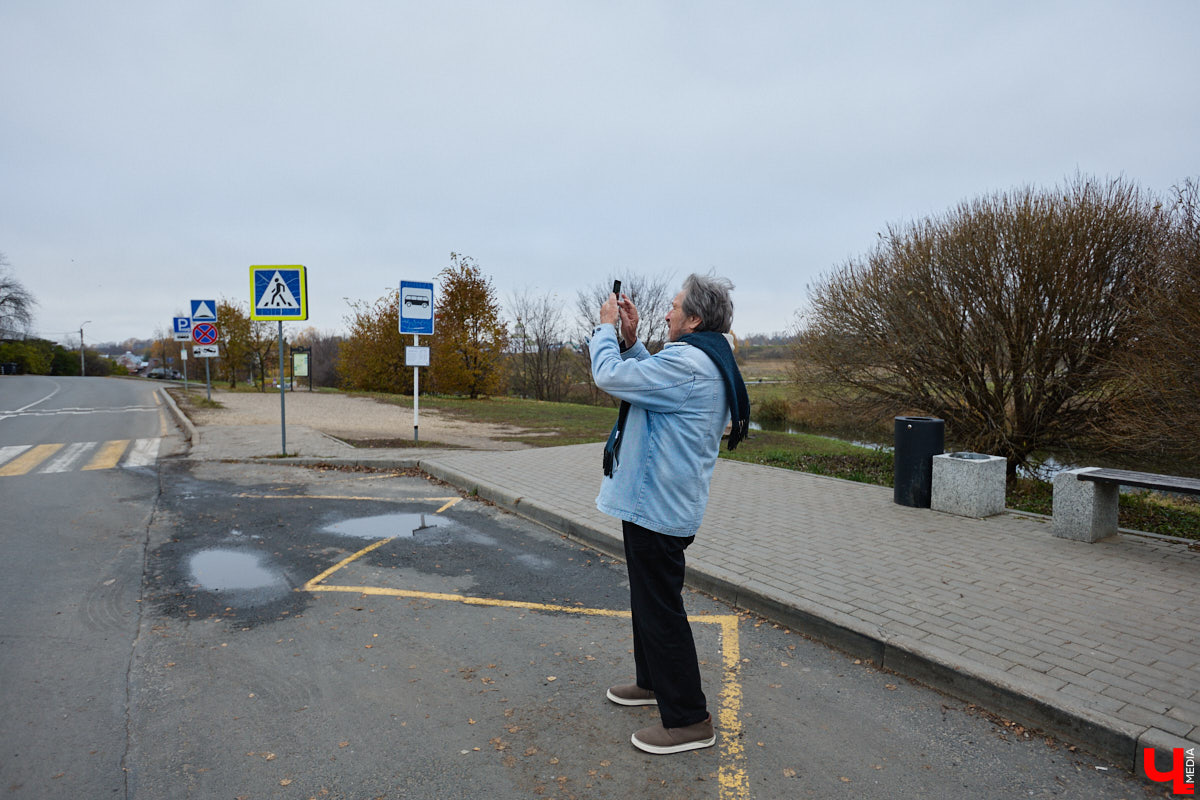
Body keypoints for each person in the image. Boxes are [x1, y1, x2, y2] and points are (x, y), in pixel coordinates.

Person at [589, 273, 750, 755]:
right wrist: (634, 342)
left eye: (674, 307)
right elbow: (652, 387)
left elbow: (611, 377)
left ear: (695, 319)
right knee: (648, 600)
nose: (666, 313)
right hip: (658, 504)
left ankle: (688, 719)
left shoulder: (689, 362)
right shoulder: (700, 359)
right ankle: (652, 682)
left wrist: (605, 330)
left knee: (661, 609)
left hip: (656, 507)